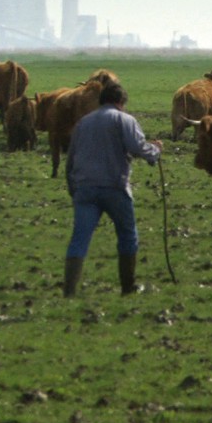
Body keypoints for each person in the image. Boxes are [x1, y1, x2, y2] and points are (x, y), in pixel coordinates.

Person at [63, 82, 162, 297]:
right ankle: (128, 288)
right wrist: (155, 151)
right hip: (114, 187)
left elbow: (70, 160)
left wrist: (74, 189)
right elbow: (137, 147)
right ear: (120, 102)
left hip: (85, 188)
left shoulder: (83, 123)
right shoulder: (124, 120)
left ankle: (69, 291)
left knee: (80, 237)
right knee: (127, 235)